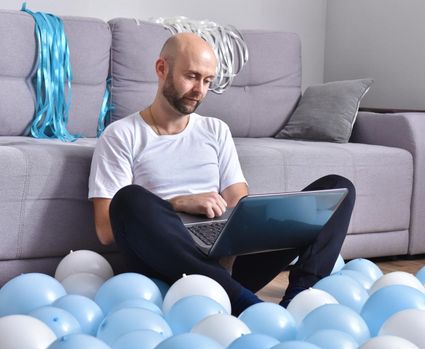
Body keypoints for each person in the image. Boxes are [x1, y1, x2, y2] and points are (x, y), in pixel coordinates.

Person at [88, 32, 356, 316]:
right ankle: (247, 306)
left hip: (228, 265)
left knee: (339, 189)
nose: (199, 90)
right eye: (191, 76)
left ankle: (300, 302)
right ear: (161, 68)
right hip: (170, 270)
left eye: (207, 81)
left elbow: (239, 202)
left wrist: (240, 232)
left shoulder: (215, 130)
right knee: (128, 200)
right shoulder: (121, 135)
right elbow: (106, 230)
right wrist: (177, 203)